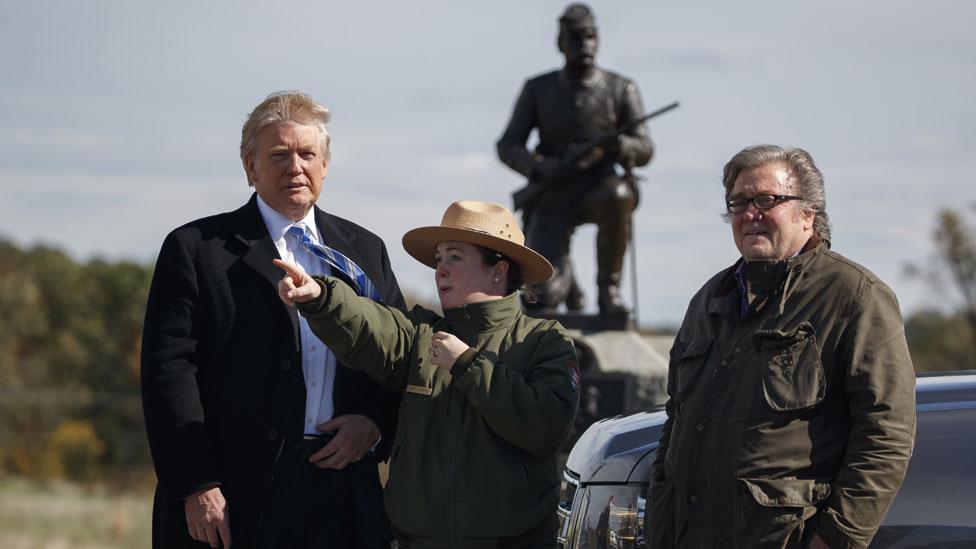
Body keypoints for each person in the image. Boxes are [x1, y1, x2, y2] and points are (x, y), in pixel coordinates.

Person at [141, 91, 403, 548]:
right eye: (278, 154)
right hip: (232, 497)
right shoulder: (197, 249)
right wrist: (197, 483)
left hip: (341, 492)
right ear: (250, 166)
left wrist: (374, 422)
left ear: (325, 165)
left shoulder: (365, 250)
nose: (295, 167)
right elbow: (169, 375)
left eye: (308, 154)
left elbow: (398, 355)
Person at [645, 145, 916, 548]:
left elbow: (886, 435)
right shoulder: (709, 299)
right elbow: (676, 418)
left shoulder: (854, 296)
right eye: (739, 202)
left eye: (767, 200)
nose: (750, 213)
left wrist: (836, 539)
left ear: (809, 214)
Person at [275, 200, 581, 547]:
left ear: (498, 270)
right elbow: (372, 325)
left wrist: (466, 363)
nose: (440, 270)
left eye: (455, 257)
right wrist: (322, 297)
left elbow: (545, 425)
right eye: (438, 260)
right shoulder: (421, 333)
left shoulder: (544, 340)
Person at [496, 3, 653, 316]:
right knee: (538, 298)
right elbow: (508, 145)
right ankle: (570, 285)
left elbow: (645, 147)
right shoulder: (537, 89)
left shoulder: (621, 88)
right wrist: (539, 167)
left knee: (618, 195)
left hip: (600, 187)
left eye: (591, 37)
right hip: (552, 192)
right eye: (576, 38)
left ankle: (609, 291)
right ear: (560, 43)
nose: (586, 45)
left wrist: (622, 145)